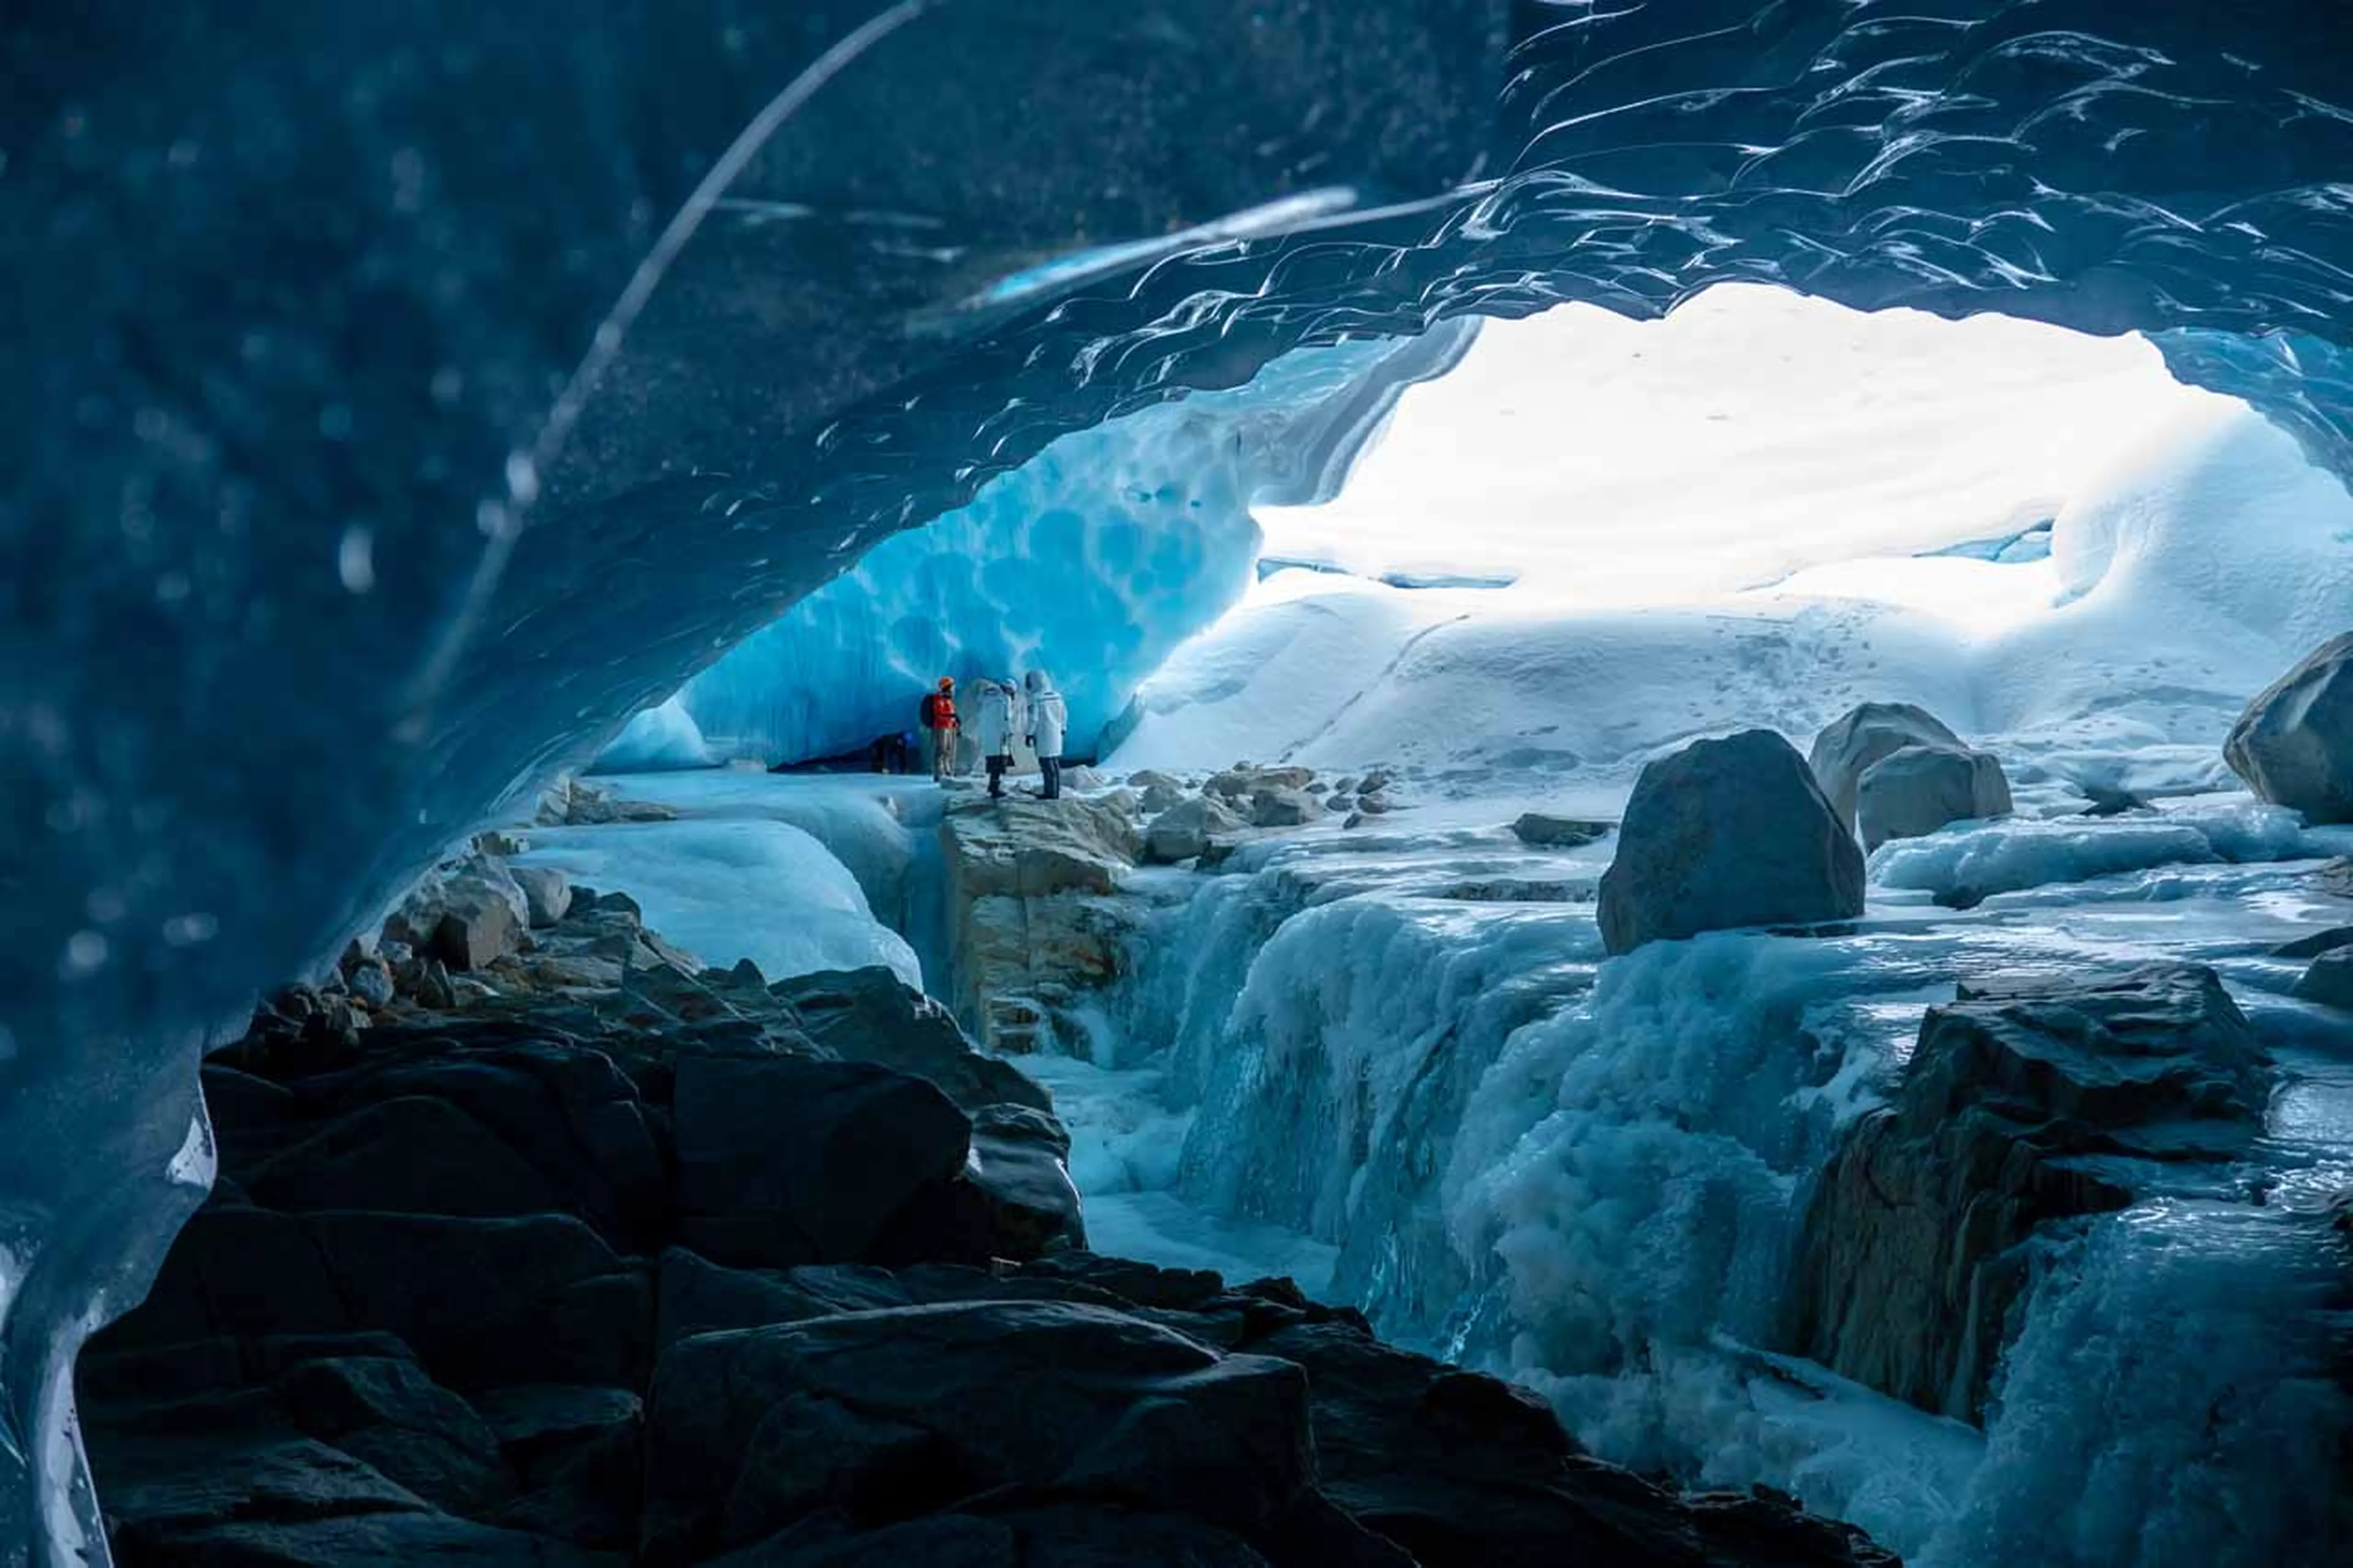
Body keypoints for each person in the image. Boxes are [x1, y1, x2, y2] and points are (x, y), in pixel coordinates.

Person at [1024, 668, 1069, 800]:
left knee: (1046, 765)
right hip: (1056, 735)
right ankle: (1055, 791)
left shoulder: (1036, 699)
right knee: (1055, 764)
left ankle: (1050, 793)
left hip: (1043, 736)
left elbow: (1034, 719)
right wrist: (1063, 728)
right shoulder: (1057, 696)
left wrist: (1029, 734)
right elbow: (1064, 714)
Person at [972, 677, 1015, 798]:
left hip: (987, 734)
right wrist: (1009, 732)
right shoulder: (1005, 699)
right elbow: (1006, 718)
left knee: (992, 760)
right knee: (999, 762)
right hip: (1000, 735)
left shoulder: (986, 697)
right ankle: (995, 788)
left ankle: (992, 785)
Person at [919, 677, 959, 783]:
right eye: (952, 686)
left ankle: (948, 771)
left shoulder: (949, 699)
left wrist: (956, 722)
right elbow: (939, 712)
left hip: (950, 727)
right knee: (941, 750)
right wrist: (952, 716)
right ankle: (939, 773)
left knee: (948, 750)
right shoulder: (939, 698)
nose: (954, 688)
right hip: (941, 727)